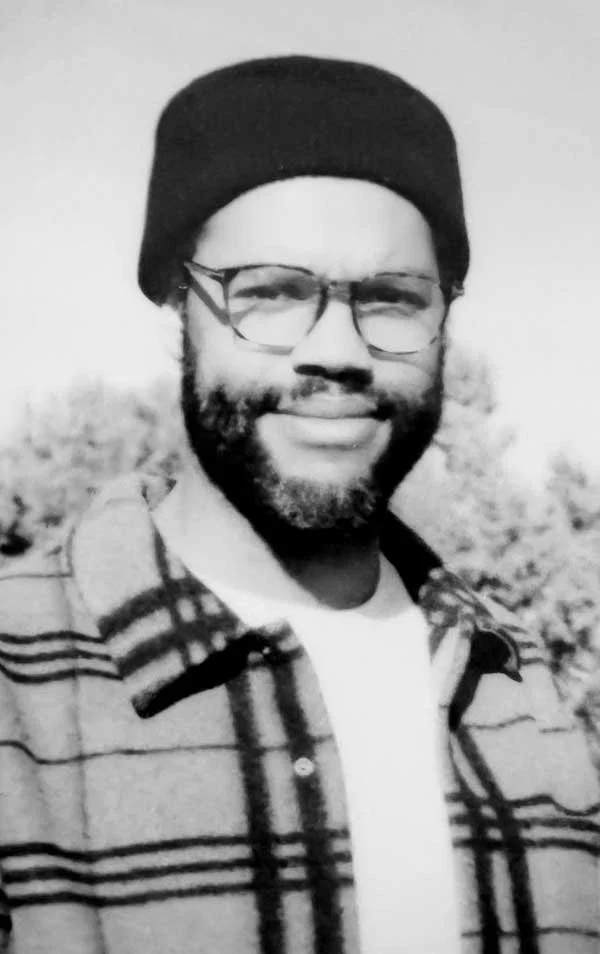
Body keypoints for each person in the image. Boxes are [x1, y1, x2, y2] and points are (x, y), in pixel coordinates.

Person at [0, 55, 598, 954]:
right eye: (271, 294)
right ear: (179, 303)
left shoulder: (521, 691)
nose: (338, 351)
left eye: (393, 300)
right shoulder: (17, 688)